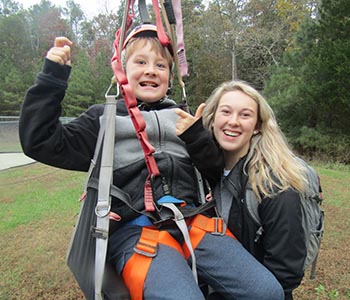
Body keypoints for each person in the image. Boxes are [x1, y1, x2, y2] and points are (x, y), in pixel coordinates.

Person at [19, 24, 284, 300]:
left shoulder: (183, 117)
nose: (150, 70)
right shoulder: (105, 119)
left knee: (267, 292)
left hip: (194, 223)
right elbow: (40, 142)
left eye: (160, 65)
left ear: (170, 77)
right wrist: (53, 76)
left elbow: (215, 171)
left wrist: (196, 137)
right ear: (121, 71)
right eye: (141, 62)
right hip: (137, 233)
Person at [176, 80, 309, 300]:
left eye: (245, 115)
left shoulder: (274, 186)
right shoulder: (205, 174)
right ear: (212, 119)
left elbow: (285, 273)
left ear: (257, 126)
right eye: (225, 112)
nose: (233, 122)